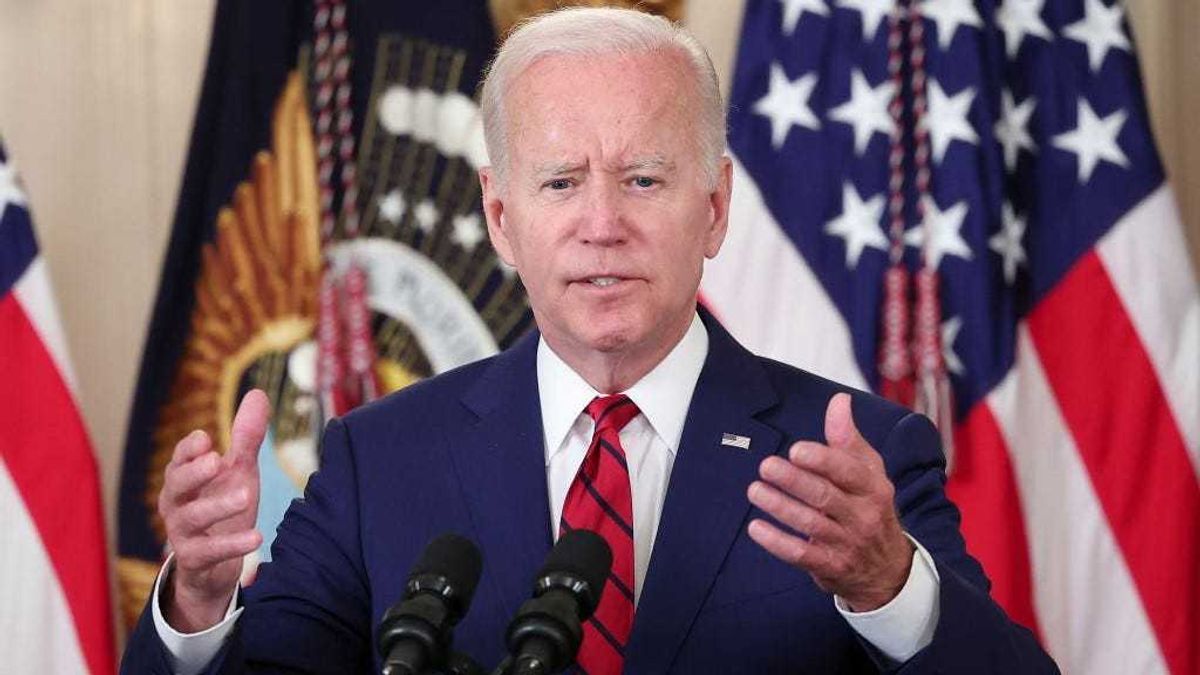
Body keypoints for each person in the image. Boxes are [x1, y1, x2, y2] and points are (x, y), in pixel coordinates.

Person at [122, 7, 1058, 674]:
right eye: (561, 183)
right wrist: (197, 602)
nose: (602, 225)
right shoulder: (379, 459)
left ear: (715, 206)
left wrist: (890, 585)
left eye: (644, 180)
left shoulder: (858, 457)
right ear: (500, 216)